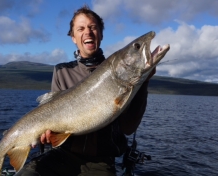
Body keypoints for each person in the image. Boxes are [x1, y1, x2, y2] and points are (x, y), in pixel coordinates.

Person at [15, 5, 155, 176]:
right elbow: (53, 118)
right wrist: (48, 135)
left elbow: (128, 128)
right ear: (73, 37)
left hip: (100, 161)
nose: (87, 32)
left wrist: (144, 82)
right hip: (62, 155)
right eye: (80, 28)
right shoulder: (61, 71)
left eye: (93, 27)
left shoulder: (117, 72)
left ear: (101, 34)